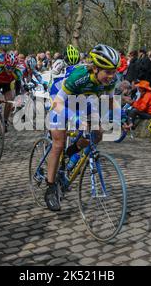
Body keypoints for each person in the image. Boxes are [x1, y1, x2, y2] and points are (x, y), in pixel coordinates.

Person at [45, 44, 120, 211]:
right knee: (58, 143)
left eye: (114, 71)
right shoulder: (80, 76)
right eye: (107, 72)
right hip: (60, 99)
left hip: (83, 100)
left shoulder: (111, 80)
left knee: (97, 134)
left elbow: (109, 101)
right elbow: (57, 103)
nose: (111, 76)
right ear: (94, 68)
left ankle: (70, 155)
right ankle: (50, 187)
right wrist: (76, 120)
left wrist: (121, 118)